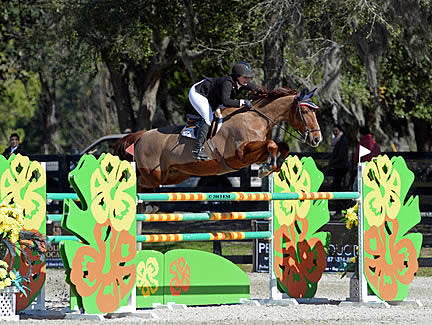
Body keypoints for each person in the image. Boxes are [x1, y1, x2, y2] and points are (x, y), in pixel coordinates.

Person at [188, 62, 258, 160]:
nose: (247, 79)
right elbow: (225, 101)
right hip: (198, 93)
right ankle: (197, 149)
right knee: (208, 119)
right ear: (237, 76)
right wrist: (242, 102)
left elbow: (255, 88)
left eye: (248, 77)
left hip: (212, 97)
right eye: (245, 77)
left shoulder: (241, 82)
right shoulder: (228, 83)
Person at [326, 125, 349, 215]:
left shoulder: (342, 141)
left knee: (337, 188)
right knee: (336, 187)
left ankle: (340, 208)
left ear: (340, 130)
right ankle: (338, 208)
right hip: (338, 166)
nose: (334, 133)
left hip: (340, 167)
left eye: (336, 131)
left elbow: (341, 155)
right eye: (333, 131)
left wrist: (332, 163)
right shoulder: (339, 140)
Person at [351, 125, 381, 191]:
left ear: (361, 133)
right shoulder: (374, 143)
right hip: (374, 167)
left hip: (363, 167)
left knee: (357, 185)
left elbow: (357, 156)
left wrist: (355, 164)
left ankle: (357, 199)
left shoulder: (362, 143)